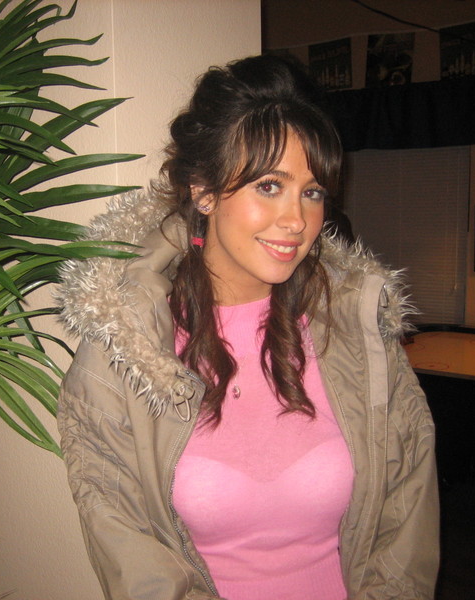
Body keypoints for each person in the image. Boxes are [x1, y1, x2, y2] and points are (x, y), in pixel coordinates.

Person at [56, 54, 439, 600]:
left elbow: (406, 519)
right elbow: (132, 552)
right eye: (269, 186)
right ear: (203, 191)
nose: (297, 220)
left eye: (312, 192)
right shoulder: (124, 351)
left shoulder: (359, 334)